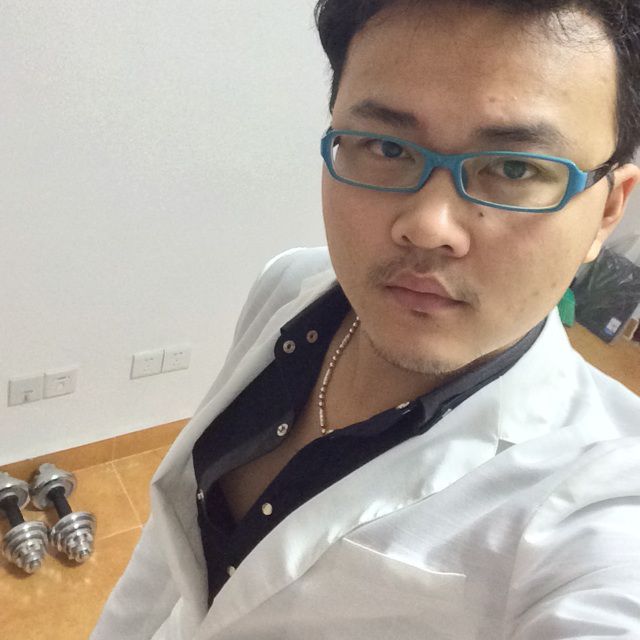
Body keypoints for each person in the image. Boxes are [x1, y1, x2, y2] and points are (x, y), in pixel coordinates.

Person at [92, 1, 640, 638]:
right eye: (386, 147)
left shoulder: (600, 500)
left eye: (515, 168)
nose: (428, 226)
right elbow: (171, 554)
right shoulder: (291, 289)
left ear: (608, 211)